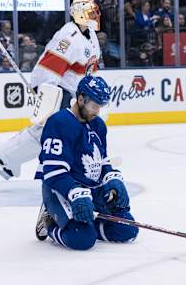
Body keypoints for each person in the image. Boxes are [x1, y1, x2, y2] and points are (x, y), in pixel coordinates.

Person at [0, 0, 101, 180]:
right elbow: (48, 68)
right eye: (90, 12)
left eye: (95, 11)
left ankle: (8, 159)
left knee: (59, 132)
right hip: (62, 92)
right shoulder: (68, 37)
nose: (95, 15)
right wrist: (47, 95)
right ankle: (5, 159)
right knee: (50, 132)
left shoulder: (90, 35)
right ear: (79, 14)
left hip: (77, 94)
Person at [35, 75, 139, 250]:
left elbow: (101, 159)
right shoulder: (59, 122)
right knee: (82, 239)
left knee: (127, 229)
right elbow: (53, 172)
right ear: (81, 98)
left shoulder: (98, 125)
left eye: (100, 106)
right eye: (94, 106)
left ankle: (89, 223)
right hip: (61, 189)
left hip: (91, 191)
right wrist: (75, 193)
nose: (97, 111)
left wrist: (112, 177)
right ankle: (49, 222)